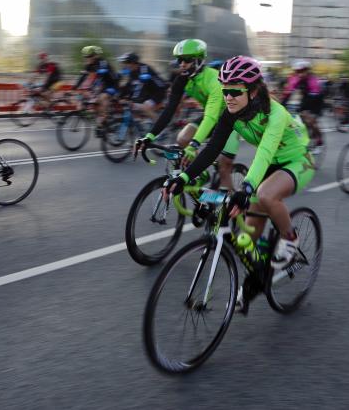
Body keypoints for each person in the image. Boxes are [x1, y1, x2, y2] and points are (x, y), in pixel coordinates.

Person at [162, 56, 314, 279]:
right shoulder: (231, 112)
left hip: (298, 160)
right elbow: (212, 149)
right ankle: (258, 279)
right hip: (270, 164)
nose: (228, 98)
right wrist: (183, 178)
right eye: (225, 91)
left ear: (252, 91)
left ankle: (290, 239)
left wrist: (247, 189)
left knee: (266, 195)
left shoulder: (275, 114)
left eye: (234, 91)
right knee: (247, 239)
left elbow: (264, 153)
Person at [135, 39, 237, 188]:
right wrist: (149, 136)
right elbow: (169, 110)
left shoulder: (214, 79)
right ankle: (201, 175)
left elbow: (211, 116)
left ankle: (233, 206)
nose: (182, 64)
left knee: (224, 167)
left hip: (231, 121)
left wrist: (194, 145)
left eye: (187, 60)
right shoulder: (182, 80)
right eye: (179, 60)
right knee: (182, 138)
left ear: (199, 60)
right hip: (212, 117)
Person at [75, 45, 120, 133]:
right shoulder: (89, 65)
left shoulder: (103, 63)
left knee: (101, 98)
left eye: (90, 56)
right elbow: (83, 76)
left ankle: (104, 117)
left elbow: (99, 78)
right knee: (93, 102)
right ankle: (101, 121)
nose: (87, 58)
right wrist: (76, 86)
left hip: (112, 84)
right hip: (102, 85)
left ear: (96, 55)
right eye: (86, 56)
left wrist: (92, 91)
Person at [281, 60, 324, 149]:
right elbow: (288, 93)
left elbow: (313, 97)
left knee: (311, 121)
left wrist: (304, 110)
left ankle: (319, 141)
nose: (300, 74)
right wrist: (282, 105)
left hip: (317, 101)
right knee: (299, 119)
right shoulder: (297, 79)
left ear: (307, 71)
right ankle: (303, 137)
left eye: (302, 71)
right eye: (297, 72)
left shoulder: (313, 80)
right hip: (306, 99)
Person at [118, 52, 168, 123]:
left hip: (158, 92)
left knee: (145, 107)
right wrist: (120, 97)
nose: (125, 66)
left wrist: (133, 99)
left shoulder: (144, 69)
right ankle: (141, 127)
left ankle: (160, 129)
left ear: (133, 62)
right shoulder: (132, 72)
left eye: (126, 63)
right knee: (133, 108)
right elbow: (129, 85)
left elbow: (141, 87)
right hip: (148, 93)